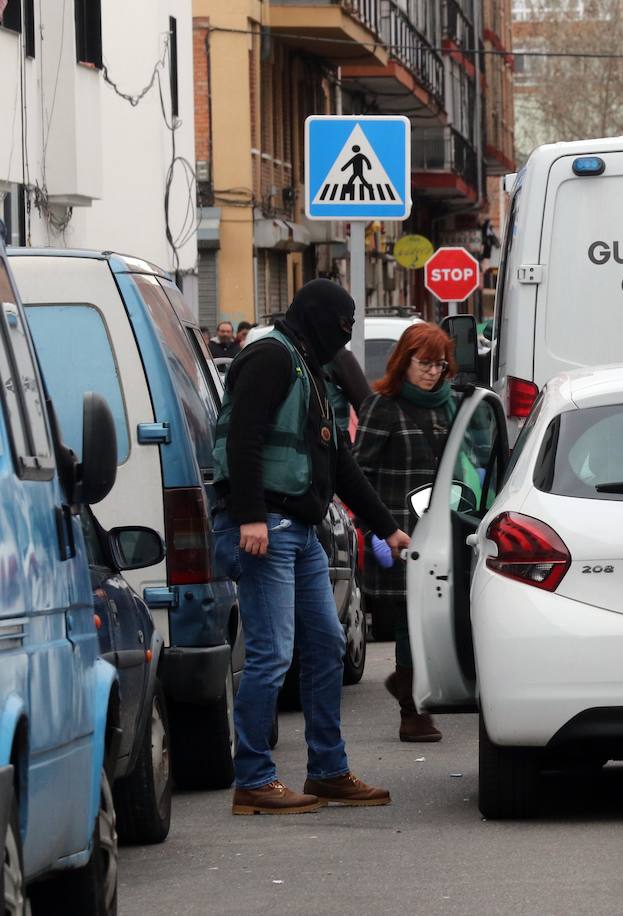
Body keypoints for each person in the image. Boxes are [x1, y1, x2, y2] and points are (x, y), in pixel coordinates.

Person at [211, 279, 410, 815]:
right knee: (272, 655)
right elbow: (244, 437)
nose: (342, 341)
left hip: (300, 532)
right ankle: (253, 779)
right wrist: (250, 515)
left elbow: (338, 461)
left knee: (326, 647)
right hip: (267, 529)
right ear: (318, 318)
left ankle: (327, 771)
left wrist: (384, 526)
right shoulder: (271, 357)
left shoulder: (307, 365)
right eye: (340, 329)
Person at [353, 323, 458, 743]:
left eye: (439, 364)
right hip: (400, 536)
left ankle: (408, 684)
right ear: (404, 363)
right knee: (410, 623)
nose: (433, 372)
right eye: (424, 363)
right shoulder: (383, 406)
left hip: (447, 531)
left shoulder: (453, 407)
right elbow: (360, 473)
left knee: (439, 620)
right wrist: (375, 529)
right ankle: (412, 711)